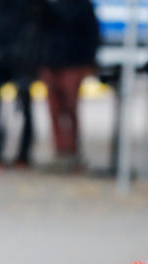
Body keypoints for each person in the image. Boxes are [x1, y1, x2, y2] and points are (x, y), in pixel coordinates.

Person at [38, 0, 99, 172]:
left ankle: (73, 150)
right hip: (51, 61)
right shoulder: (48, 5)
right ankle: (60, 151)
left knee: (70, 108)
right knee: (54, 110)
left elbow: (91, 32)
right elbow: (39, 30)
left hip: (73, 61)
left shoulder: (81, 5)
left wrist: (88, 61)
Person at [0, 0, 42, 167]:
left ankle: (24, 152)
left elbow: (36, 27)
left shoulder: (29, 6)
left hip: (22, 61)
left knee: (24, 106)